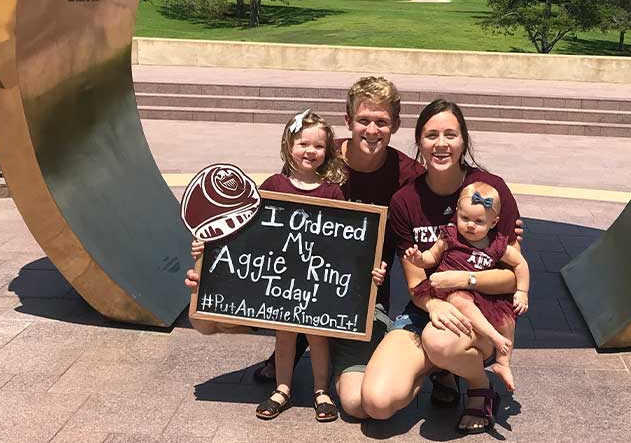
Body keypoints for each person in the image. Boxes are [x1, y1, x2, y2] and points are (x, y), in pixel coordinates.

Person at [188, 110, 385, 422]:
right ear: (288, 145)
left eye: (319, 146)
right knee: (285, 337)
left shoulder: (332, 191)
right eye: (303, 143)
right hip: (280, 281)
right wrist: (209, 247)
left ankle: (321, 390)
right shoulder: (274, 185)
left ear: (328, 150)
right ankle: (282, 388)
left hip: (317, 280)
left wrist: (367, 269)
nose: (310, 151)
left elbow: (346, 240)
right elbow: (245, 233)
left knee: (319, 336)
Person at [361, 99, 523, 434]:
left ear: (464, 140)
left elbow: (511, 276)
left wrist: (465, 279)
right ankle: (441, 369)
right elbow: (416, 280)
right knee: (376, 403)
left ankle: (479, 386)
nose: (441, 143)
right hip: (425, 310)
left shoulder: (491, 191)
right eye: (431, 135)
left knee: (441, 342)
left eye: (451, 134)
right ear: (419, 142)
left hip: (482, 312)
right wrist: (433, 304)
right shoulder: (405, 201)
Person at [403, 181, 530, 392]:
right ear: (457, 214)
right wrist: (417, 258)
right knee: (460, 300)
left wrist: (522, 292)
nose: (470, 225)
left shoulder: (496, 244)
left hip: (480, 294)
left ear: (493, 222)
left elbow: (520, 264)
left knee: (507, 317)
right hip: (449, 292)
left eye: (479, 221)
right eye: (465, 218)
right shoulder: (450, 236)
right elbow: (431, 257)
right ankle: (493, 337)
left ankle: (503, 362)